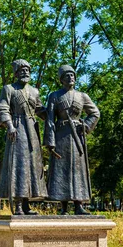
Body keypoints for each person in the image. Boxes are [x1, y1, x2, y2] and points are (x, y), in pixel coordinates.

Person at [44, 65, 100, 215]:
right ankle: (63, 207)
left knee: (77, 170)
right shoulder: (54, 96)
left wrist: (86, 126)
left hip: (76, 137)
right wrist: (50, 142)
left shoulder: (82, 96)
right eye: (67, 76)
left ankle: (78, 205)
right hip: (61, 136)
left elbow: (95, 113)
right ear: (61, 79)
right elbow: (50, 119)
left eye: (73, 75)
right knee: (61, 170)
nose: (71, 78)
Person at [0, 59, 47, 215]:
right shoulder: (9, 89)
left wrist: (55, 115)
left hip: (32, 130)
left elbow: (39, 110)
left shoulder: (35, 91)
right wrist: (9, 126)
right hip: (18, 129)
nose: (26, 73)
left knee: (31, 167)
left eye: (28, 70)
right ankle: (18, 205)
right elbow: (3, 108)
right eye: (22, 70)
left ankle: (26, 205)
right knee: (19, 166)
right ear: (16, 73)